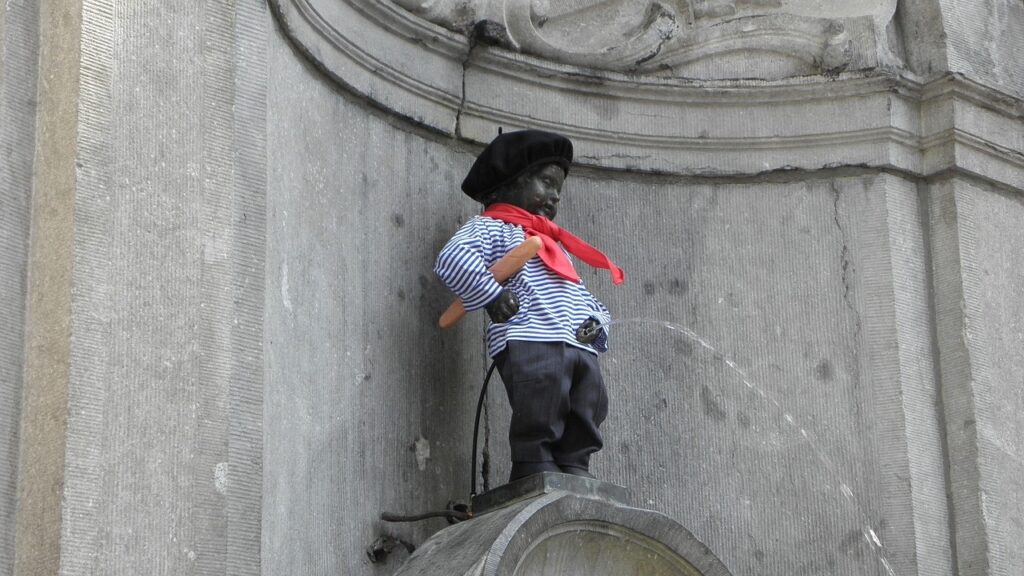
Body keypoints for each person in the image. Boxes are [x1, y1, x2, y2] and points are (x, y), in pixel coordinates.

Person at [435, 129, 624, 482]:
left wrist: (597, 322)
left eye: (558, 190)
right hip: (530, 336)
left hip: (577, 342)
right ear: (508, 182)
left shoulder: (554, 245)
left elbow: (578, 293)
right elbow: (454, 258)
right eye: (547, 182)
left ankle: (573, 462)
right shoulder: (492, 228)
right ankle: (533, 461)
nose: (554, 197)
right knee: (542, 396)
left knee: (590, 399)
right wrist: (491, 295)